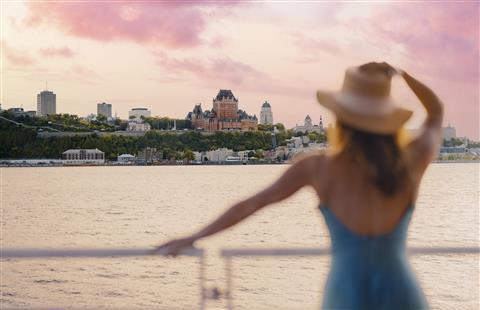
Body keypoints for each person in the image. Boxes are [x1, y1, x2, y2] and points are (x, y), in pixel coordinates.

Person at [154, 62, 443, 309]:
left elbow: (251, 204)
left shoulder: (319, 168)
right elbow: (435, 112)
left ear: (341, 119)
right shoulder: (409, 163)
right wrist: (400, 73)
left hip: (347, 295)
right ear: (387, 119)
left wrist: (194, 236)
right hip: (401, 293)